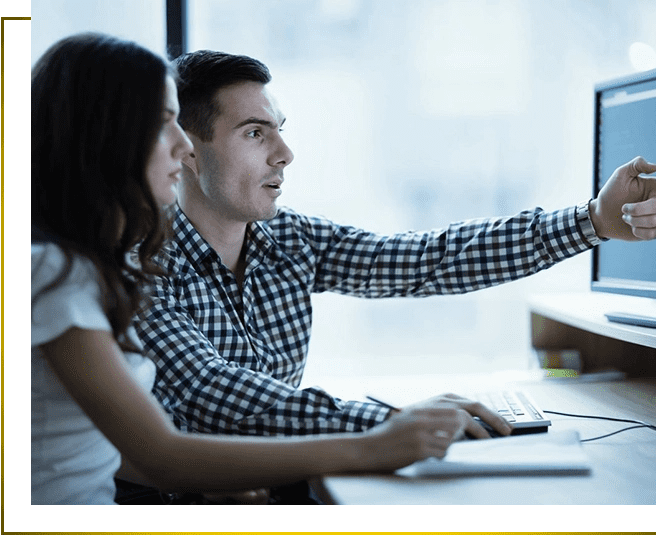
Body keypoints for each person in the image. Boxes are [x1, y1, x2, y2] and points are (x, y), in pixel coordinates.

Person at [134, 48, 656, 444]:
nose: (285, 153)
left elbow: (429, 258)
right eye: (256, 133)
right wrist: (392, 421)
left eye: (280, 129)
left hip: (269, 473)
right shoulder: (143, 262)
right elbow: (221, 397)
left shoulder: (290, 240)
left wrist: (592, 219)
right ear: (186, 149)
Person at [30, 33, 481, 506]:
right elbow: (175, 435)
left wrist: (199, 481)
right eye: (163, 124)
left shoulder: (85, 263)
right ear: (108, 138)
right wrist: (380, 438)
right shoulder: (62, 272)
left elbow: (108, 449)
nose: (183, 146)